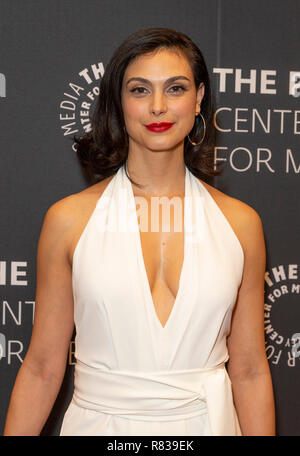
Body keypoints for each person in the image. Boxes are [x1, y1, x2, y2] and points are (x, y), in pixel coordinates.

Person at [4, 27, 276, 436]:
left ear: (199, 98)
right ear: (118, 100)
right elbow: (42, 366)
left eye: (176, 88)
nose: (159, 107)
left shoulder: (241, 224)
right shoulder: (69, 221)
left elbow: (251, 369)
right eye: (140, 90)